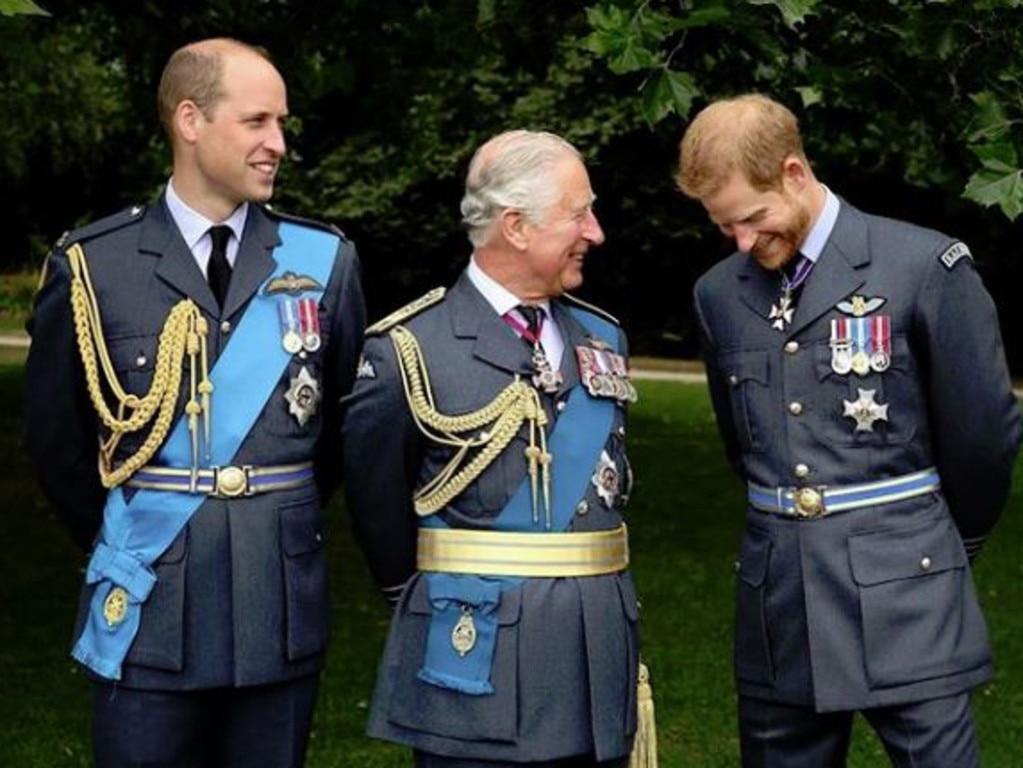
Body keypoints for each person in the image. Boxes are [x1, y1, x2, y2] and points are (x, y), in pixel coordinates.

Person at [23, 37, 366, 767]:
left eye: (282, 125)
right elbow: (55, 440)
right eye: (257, 122)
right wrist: (131, 537)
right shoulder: (93, 264)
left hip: (277, 607)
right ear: (189, 119)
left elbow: (338, 435)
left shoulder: (324, 263)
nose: (277, 143)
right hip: (149, 605)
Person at [676, 92, 1023, 767]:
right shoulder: (717, 294)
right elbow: (740, 444)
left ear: (794, 174)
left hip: (907, 594)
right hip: (778, 607)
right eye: (726, 229)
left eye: (752, 218)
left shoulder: (922, 267)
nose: (743, 243)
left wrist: (947, 542)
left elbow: (984, 435)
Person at [341, 129, 647, 767]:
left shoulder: (602, 335)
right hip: (474, 657)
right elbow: (377, 507)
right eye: (578, 213)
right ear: (515, 226)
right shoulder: (409, 350)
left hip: (597, 655)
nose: (596, 232)